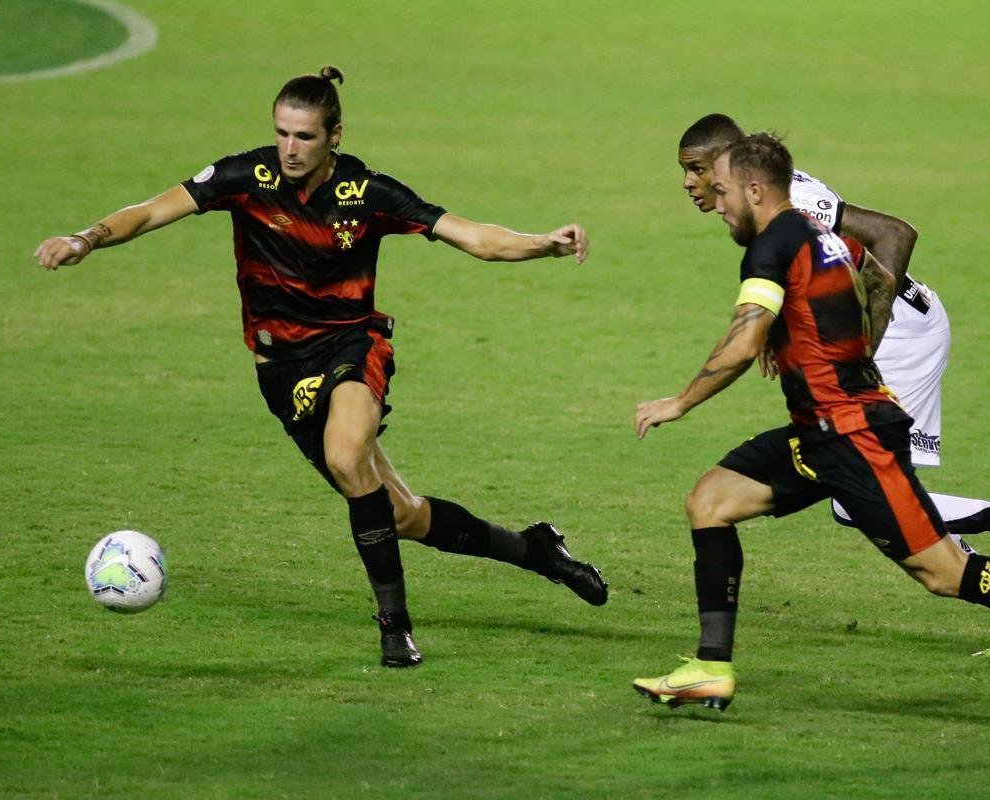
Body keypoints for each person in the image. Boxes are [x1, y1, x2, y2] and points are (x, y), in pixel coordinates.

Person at [34, 65, 607, 669]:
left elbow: (472, 235)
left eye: (304, 136)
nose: (289, 148)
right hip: (282, 372)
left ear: (336, 134)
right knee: (400, 514)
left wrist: (545, 243)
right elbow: (151, 211)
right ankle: (536, 550)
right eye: (282, 133)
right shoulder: (244, 178)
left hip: (352, 346)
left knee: (344, 454)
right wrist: (86, 238)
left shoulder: (368, 195)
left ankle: (394, 626)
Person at [631, 132, 990, 725]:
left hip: (854, 438)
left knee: (945, 574)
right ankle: (711, 667)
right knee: (710, 501)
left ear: (753, 188)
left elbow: (743, 342)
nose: (715, 204)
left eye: (719, 192)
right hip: (821, 431)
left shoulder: (769, 248)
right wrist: (838, 352)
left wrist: (682, 401)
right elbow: (874, 282)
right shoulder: (823, 237)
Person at [674, 114, 990, 659]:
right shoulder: (759, 199)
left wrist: (861, 354)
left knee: (858, 499)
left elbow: (893, 235)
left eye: (698, 171)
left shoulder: (793, 203)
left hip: (899, 333)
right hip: (866, 337)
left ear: (731, 164)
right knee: (871, 497)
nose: (691, 185)